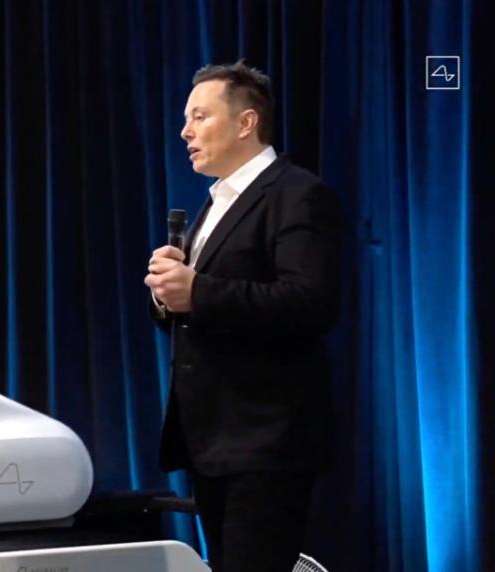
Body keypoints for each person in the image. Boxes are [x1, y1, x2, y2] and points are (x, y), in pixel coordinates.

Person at [144, 61, 341, 572]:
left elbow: (309, 302)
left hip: (266, 439)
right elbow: (200, 309)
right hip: (213, 440)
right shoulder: (215, 203)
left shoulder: (296, 193)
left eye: (200, 117)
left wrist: (199, 290)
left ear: (246, 123)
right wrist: (168, 296)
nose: (185, 131)